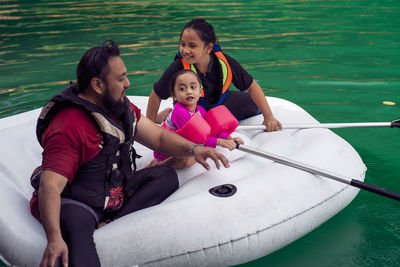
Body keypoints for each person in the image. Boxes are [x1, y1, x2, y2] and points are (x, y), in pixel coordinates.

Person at [29, 40, 229, 267]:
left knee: (165, 176)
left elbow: (159, 137)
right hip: (77, 201)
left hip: (112, 192)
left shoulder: (119, 107)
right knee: (76, 234)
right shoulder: (67, 127)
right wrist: (54, 239)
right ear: (97, 85)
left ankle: (113, 220)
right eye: (121, 78)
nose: (128, 83)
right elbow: (51, 186)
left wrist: (194, 148)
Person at [146, 18, 282, 132]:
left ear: (209, 48)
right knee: (201, 129)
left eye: (192, 46)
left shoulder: (224, 61)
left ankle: (168, 116)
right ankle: (168, 117)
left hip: (222, 102)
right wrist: (150, 127)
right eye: (182, 44)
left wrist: (268, 116)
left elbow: (252, 86)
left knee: (254, 103)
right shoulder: (179, 67)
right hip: (190, 108)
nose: (185, 50)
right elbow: (156, 94)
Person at [151, 69, 244, 169]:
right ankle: (157, 165)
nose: (189, 91)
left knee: (199, 151)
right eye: (182, 89)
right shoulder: (179, 113)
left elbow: (212, 131)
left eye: (193, 87)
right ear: (174, 96)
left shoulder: (200, 110)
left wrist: (230, 139)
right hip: (166, 151)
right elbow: (196, 140)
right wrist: (221, 142)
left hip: (185, 144)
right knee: (188, 160)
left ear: (200, 92)